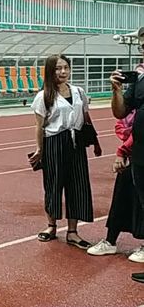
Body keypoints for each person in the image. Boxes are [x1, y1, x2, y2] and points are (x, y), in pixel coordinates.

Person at [30, 54, 99, 249]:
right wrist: (39, 149)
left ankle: (73, 232)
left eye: (66, 68)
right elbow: (39, 126)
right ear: (50, 71)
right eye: (58, 68)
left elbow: (86, 116)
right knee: (53, 183)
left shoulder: (78, 91)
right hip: (54, 142)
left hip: (76, 141)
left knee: (77, 184)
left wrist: (95, 141)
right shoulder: (44, 95)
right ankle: (51, 226)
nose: (63, 72)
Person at [87, 107, 144, 261]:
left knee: (141, 202)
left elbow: (139, 130)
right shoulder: (134, 96)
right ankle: (110, 241)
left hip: (138, 154)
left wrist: (122, 151)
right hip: (133, 154)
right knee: (121, 197)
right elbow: (121, 123)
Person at [111, 26, 144, 282]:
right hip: (140, 151)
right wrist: (116, 90)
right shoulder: (141, 77)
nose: (142, 48)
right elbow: (121, 113)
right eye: (141, 44)